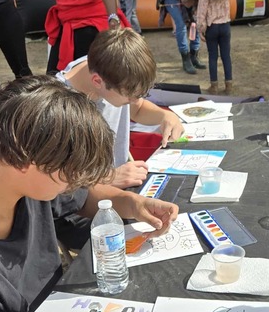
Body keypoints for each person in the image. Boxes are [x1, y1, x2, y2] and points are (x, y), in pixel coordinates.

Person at [0, 74, 179, 312]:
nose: (77, 180)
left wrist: (132, 204)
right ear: (27, 160)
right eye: (71, 171)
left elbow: (83, 199)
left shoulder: (1, 164)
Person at [56, 27, 184, 190]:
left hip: (118, 190)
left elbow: (137, 108)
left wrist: (165, 116)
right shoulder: (58, 107)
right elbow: (52, 178)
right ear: (97, 81)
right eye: (130, 95)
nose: (135, 100)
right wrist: (108, 177)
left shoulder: (109, 68)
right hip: (87, 202)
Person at [193, 0, 245, 95]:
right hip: (225, 26)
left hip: (212, 27)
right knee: (226, 56)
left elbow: (201, 14)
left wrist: (200, 30)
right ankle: (229, 85)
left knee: (212, 57)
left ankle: (214, 86)